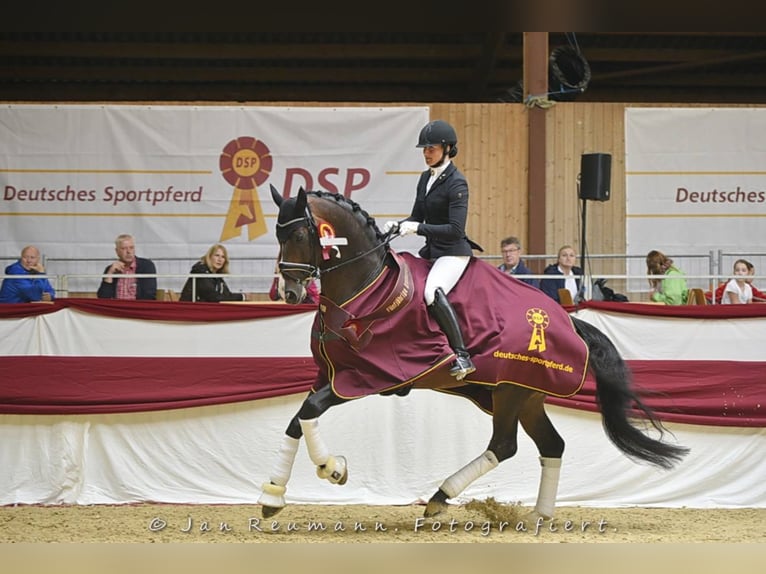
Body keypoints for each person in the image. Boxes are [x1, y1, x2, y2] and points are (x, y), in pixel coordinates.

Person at [382, 119, 483, 380]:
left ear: (448, 148)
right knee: (402, 279)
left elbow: (455, 230)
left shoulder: (457, 183)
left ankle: (462, 355)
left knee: (430, 291)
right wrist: (398, 225)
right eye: (424, 149)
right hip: (432, 250)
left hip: (452, 252)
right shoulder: (425, 178)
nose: (427, 154)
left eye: (432, 149)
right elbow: (416, 216)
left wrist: (416, 229)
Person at [180, 243, 251, 302]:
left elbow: (226, 295)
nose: (220, 259)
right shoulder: (201, 271)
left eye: (223, 257)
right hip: (191, 311)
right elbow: (213, 297)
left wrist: (242, 296)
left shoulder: (217, 276)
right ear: (209, 257)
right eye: (217, 255)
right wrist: (242, 297)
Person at [97, 233, 157, 300]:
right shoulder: (110, 269)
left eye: (131, 248)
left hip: (137, 308)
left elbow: (149, 295)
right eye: (124, 248)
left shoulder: (146, 265)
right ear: (117, 251)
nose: (128, 251)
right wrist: (110, 273)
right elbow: (103, 298)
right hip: (116, 309)